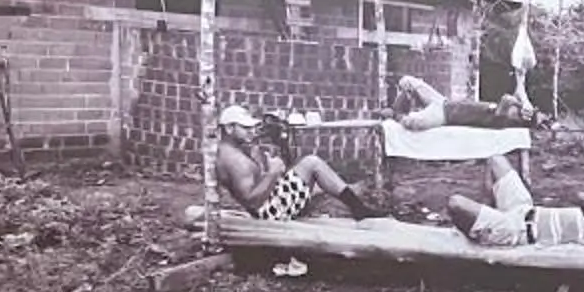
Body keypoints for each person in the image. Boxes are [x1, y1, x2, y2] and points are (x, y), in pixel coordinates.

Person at [446, 159, 584, 249]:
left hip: (517, 230)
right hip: (524, 209)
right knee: (495, 160)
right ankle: (488, 214)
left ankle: (487, 230)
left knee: (455, 203)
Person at [213, 105, 380, 222]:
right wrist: (273, 173)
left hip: (264, 207)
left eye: (252, 127)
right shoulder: (235, 160)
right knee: (311, 163)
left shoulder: (228, 150)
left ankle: (357, 203)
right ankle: (359, 208)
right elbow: (250, 200)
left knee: (315, 179)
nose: (252, 131)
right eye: (245, 128)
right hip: (268, 213)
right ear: (229, 128)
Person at [391, 74, 538, 133]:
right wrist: (525, 103)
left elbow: (507, 98)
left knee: (410, 122)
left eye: (517, 113)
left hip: (443, 116)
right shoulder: (503, 112)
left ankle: (394, 114)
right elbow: (518, 90)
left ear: (518, 120)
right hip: (443, 102)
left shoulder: (501, 120)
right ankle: (407, 103)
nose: (514, 110)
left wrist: (522, 105)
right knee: (407, 81)